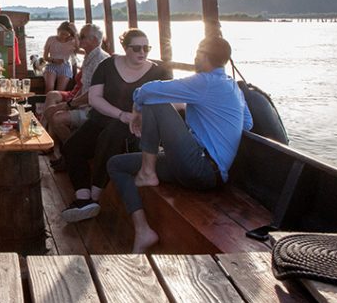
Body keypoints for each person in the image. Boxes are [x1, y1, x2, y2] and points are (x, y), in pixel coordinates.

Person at [107, 36, 253, 253]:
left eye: (197, 52)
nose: (195, 57)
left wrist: (137, 109)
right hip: (203, 168)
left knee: (155, 104)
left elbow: (147, 91)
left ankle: (147, 172)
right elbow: (247, 124)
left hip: (201, 167)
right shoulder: (233, 87)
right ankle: (143, 230)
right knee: (117, 165)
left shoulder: (205, 82)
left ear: (204, 56)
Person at [61, 29, 170, 223]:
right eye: (136, 48)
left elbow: (169, 102)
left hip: (134, 128)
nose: (142, 52)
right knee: (72, 146)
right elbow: (95, 99)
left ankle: (94, 197)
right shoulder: (107, 65)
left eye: (146, 48)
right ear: (125, 48)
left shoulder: (159, 72)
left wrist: (136, 117)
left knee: (110, 136)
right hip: (102, 119)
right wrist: (121, 114)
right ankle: (83, 197)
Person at [41, 24, 110, 165]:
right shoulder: (89, 57)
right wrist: (69, 103)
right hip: (82, 104)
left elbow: (93, 94)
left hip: (93, 110)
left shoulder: (100, 60)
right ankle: (67, 151)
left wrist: (68, 105)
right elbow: (84, 87)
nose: (79, 39)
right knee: (50, 111)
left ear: (95, 40)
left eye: (82, 37)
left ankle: (72, 154)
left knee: (57, 118)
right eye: (79, 36)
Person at [42, 21, 79, 93]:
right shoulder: (51, 39)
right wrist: (54, 60)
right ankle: (47, 103)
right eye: (61, 33)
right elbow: (45, 57)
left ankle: (56, 103)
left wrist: (75, 33)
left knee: (60, 90)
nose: (63, 36)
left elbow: (78, 47)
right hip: (51, 65)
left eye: (66, 35)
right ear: (58, 31)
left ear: (70, 35)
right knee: (49, 88)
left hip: (65, 66)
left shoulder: (71, 42)